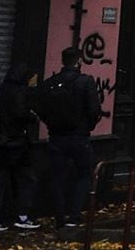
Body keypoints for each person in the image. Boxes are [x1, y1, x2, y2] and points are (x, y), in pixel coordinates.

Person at [39, 46, 105, 227]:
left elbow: (40, 107)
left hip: (56, 137)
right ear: (79, 61)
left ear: (63, 61)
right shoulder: (85, 82)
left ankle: (60, 217)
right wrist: (87, 126)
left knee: (57, 177)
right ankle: (74, 215)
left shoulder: (50, 82)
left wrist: (51, 125)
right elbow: (93, 109)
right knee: (84, 174)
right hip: (79, 136)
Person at [0, 65, 42, 232]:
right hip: (18, 144)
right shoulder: (20, 92)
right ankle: (22, 216)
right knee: (25, 180)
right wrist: (33, 117)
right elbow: (21, 113)